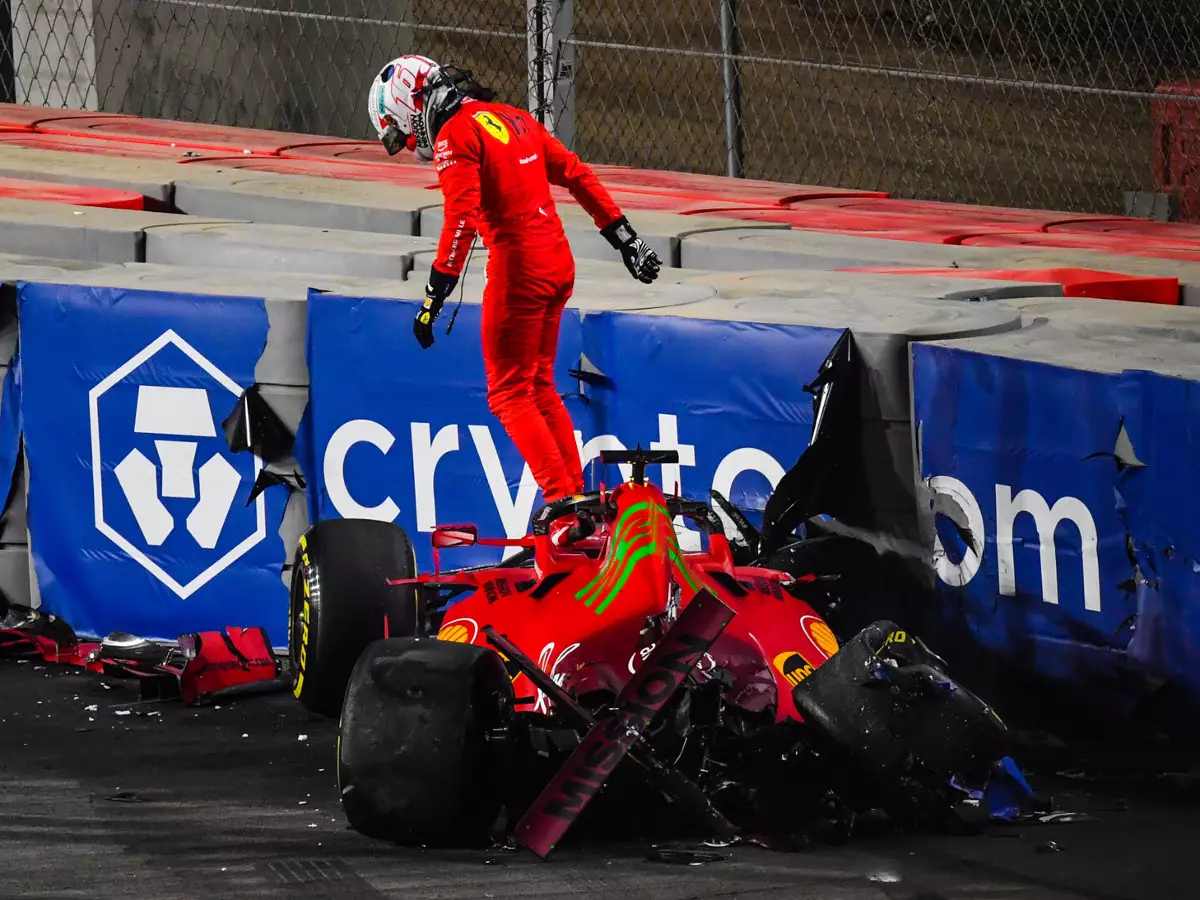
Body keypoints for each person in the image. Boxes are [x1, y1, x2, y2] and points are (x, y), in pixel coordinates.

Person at [368, 55, 662, 512]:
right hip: (558, 262)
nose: (409, 144)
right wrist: (627, 239)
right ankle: (578, 500)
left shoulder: (454, 136)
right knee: (538, 387)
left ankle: (562, 501)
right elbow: (577, 175)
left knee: (508, 392)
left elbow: (461, 221)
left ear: (410, 105)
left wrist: (433, 298)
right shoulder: (514, 116)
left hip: (518, 269)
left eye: (401, 132)